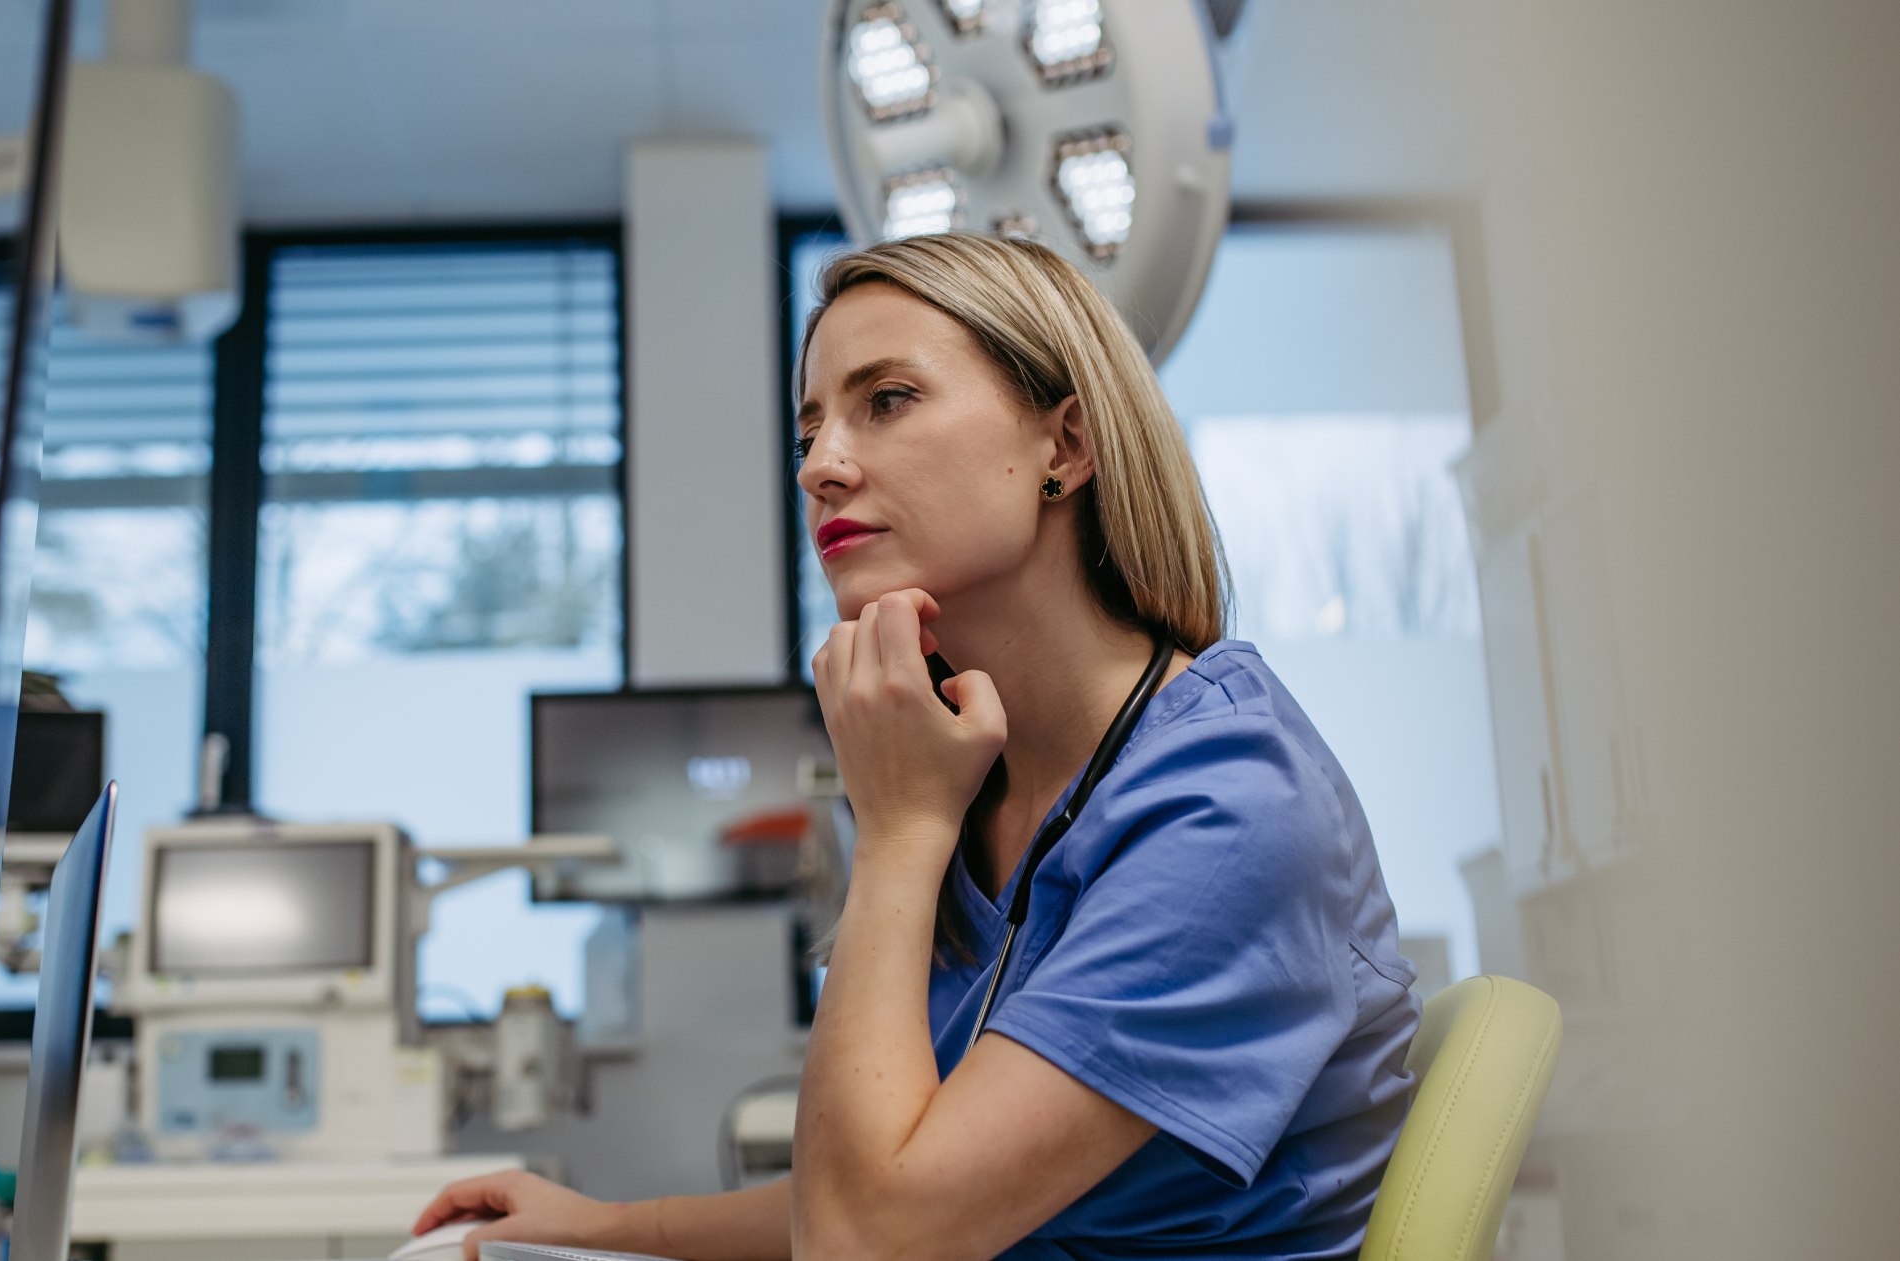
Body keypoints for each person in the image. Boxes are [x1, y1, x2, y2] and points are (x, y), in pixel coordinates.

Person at [415, 233, 1421, 1261]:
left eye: (886, 400)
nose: (819, 465)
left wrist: (899, 827)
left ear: (1064, 449)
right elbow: (903, 1182)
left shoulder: (1231, 807)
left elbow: (869, 1241)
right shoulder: (991, 787)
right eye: (809, 428)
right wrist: (612, 1228)